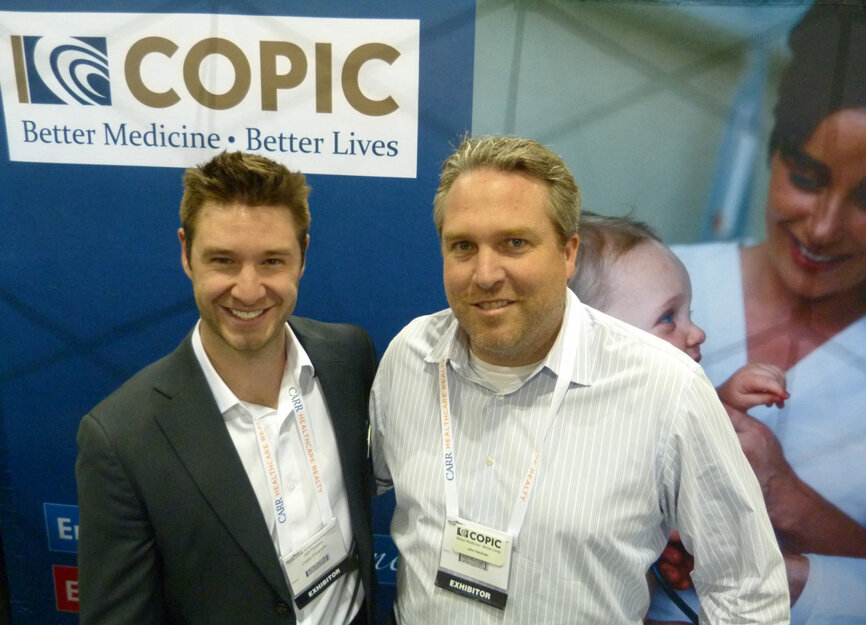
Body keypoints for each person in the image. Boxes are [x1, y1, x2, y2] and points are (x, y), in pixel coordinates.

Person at [370, 135, 789, 624]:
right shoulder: (411, 357)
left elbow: (749, 592)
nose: (485, 273)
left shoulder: (666, 388)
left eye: (515, 243)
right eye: (463, 246)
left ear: (567, 253)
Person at [76, 151, 378, 625]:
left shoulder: (348, 357)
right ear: (185, 253)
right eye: (223, 260)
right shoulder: (122, 438)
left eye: (272, 260)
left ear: (303, 256)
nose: (249, 289)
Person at [647, 4, 866, 624]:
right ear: (772, 155)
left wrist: (787, 501)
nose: (822, 228)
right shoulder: (650, 285)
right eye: (805, 177)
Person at [568, 212, 789, 594]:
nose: (697, 332)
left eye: (690, 313)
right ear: (591, 342)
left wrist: (723, 404)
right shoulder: (569, 431)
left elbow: (680, 441)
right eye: (668, 318)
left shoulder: (663, 408)